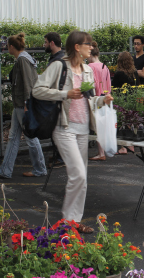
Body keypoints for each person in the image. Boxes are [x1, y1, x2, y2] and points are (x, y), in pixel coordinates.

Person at [32, 31, 113, 233]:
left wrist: (103, 100)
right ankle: (68, 223)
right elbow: (37, 90)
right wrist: (64, 94)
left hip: (83, 129)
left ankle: (74, 222)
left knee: (81, 177)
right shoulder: (59, 66)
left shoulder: (87, 70)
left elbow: (90, 99)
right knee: (78, 175)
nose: (92, 48)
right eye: (88, 44)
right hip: (64, 128)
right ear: (77, 46)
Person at [0, 33, 47, 179]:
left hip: (23, 104)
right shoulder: (25, 58)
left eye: (7, 46)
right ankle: (5, 170)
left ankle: (40, 169)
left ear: (12, 47)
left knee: (30, 137)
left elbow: (28, 82)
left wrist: (28, 103)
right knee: (13, 136)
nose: (6, 48)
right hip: (20, 104)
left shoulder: (22, 60)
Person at [88, 41, 111, 161]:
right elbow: (109, 84)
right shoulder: (104, 66)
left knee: (97, 126)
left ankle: (101, 153)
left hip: (97, 98)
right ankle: (103, 151)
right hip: (105, 97)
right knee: (103, 125)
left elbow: (93, 86)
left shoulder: (90, 67)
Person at [112, 51, 138, 155]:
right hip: (132, 100)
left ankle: (123, 147)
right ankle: (131, 144)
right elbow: (137, 86)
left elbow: (114, 87)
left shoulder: (119, 74)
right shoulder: (134, 72)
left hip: (122, 100)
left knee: (121, 123)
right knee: (131, 122)